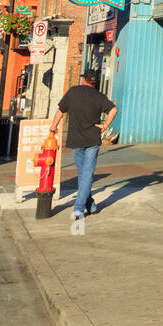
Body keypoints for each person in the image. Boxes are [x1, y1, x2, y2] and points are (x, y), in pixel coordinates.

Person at [50, 70, 117, 220]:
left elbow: (60, 111)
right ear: (94, 82)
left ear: (84, 80)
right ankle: (90, 204)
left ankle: (79, 209)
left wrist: (53, 127)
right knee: (86, 174)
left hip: (76, 140)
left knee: (84, 174)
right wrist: (105, 125)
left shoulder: (73, 92)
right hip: (93, 139)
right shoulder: (99, 96)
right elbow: (114, 109)